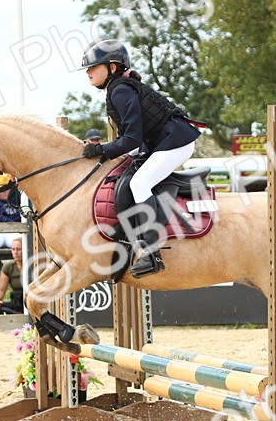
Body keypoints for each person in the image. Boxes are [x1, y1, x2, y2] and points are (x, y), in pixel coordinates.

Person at [77, 39, 201, 278]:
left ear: (112, 67)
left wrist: (102, 149)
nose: (88, 72)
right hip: (165, 141)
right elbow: (134, 140)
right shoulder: (118, 89)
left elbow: (132, 140)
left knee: (139, 183)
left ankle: (151, 252)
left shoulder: (121, 90)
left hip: (177, 142)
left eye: (94, 66)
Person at [0, 236, 25, 314]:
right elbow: (1, 289)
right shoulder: (8, 267)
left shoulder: (32, 265)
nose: (15, 252)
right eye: (13, 249)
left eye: (19, 249)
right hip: (16, 300)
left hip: (29, 299)